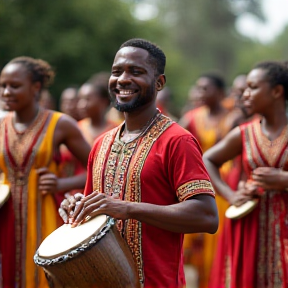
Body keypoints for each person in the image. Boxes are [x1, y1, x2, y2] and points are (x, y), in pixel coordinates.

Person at [59, 38, 218, 288]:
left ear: (159, 82)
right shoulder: (101, 144)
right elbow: (95, 212)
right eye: (116, 71)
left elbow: (207, 217)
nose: (123, 79)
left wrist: (129, 208)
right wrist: (76, 204)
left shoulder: (177, 141)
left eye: (136, 71)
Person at [0, 56, 91, 288]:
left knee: (46, 276)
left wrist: (62, 183)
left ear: (36, 87)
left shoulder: (60, 124)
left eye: (15, 85)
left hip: (47, 215)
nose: (7, 92)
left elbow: (96, 168)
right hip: (7, 217)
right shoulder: (1, 126)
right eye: (3, 85)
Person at [204, 61, 288, 288]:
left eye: (253, 87)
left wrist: (284, 181)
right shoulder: (244, 133)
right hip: (249, 226)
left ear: (277, 92)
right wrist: (230, 196)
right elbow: (207, 160)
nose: (245, 94)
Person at [178, 73, 233, 288]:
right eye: (198, 88)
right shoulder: (192, 117)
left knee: (217, 244)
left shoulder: (233, 117)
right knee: (194, 246)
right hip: (196, 180)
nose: (200, 93)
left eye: (205, 89)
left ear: (220, 93)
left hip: (222, 183)